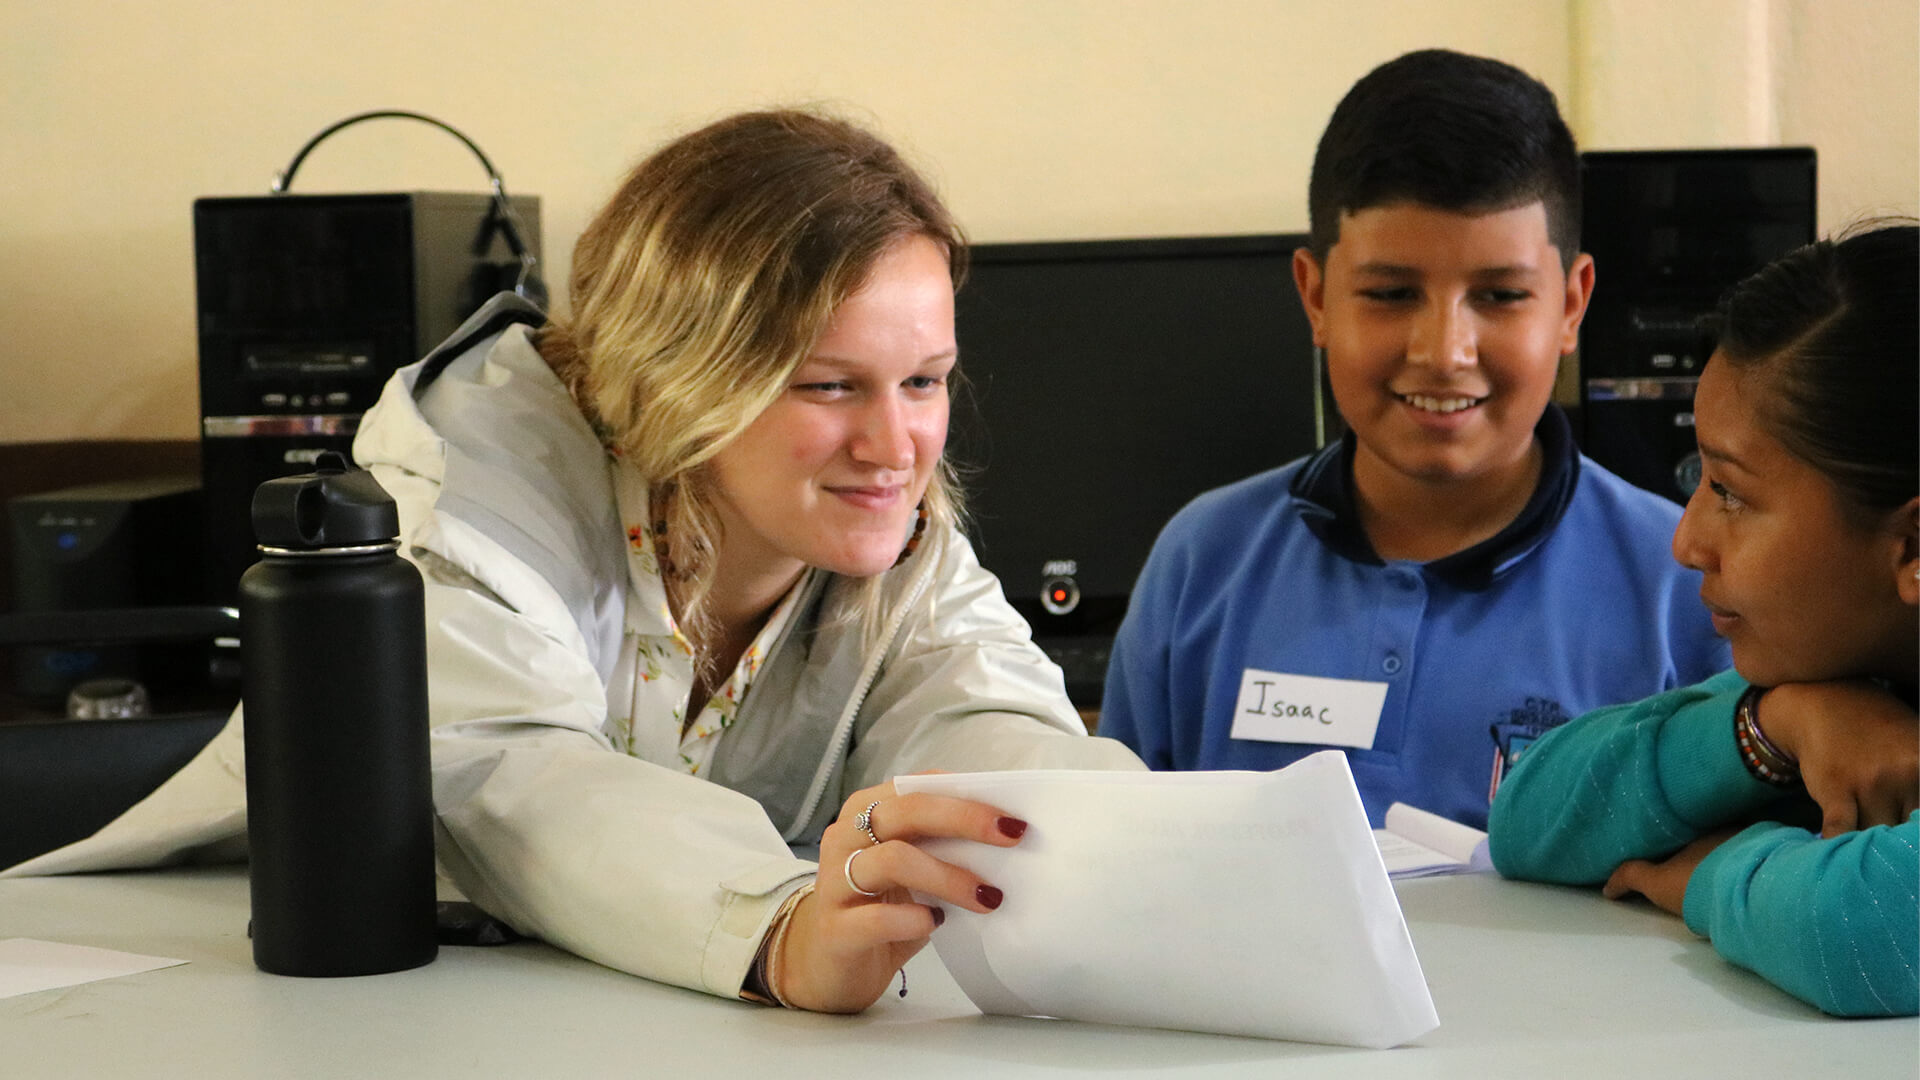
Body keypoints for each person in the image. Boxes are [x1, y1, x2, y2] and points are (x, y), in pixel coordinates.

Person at [6, 109, 1142, 1013]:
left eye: (925, 381)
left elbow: (982, 717)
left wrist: (1152, 861)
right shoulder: (476, 472)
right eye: (828, 384)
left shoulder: (885, 525)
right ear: (682, 370)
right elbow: (514, 778)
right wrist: (776, 922)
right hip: (243, 994)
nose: (895, 445)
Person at [1099, 49, 1729, 828]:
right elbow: (1122, 858)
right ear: (1316, 296)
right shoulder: (1202, 564)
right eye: (1392, 294)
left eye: (1499, 295)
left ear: (1571, 305)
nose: (1444, 350)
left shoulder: (1691, 590)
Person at [1489, 223, 1918, 1018]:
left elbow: (1862, 931)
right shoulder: (1842, 678)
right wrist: (1771, 725)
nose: (1685, 542)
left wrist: (1709, 875)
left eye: (1730, 492)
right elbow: (1524, 820)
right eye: (1700, 475)